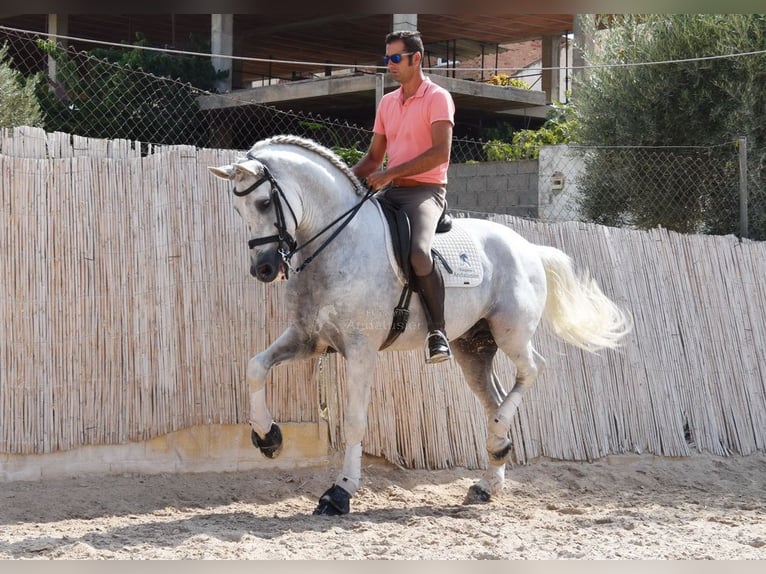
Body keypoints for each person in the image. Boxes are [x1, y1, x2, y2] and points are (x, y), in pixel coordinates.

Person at [352, 30, 455, 364]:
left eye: (396, 58)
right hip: (390, 191)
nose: (390, 65)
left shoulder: (438, 98)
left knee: (420, 254)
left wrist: (391, 174)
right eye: (387, 59)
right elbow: (372, 160)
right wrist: (342, 180)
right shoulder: (387, 102)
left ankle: (437, 331)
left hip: (425, 191)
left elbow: (440, 153)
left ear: (416, 59)